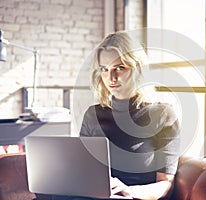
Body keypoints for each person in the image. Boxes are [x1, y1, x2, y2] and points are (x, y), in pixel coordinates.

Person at [36, 31, 180, 200]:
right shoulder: (93, 114)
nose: (111, 77)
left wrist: (129, 191)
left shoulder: (162, 114)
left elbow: (166, 185)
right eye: (104, 69)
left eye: (119, 68)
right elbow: (82, 169)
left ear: (137, 68)